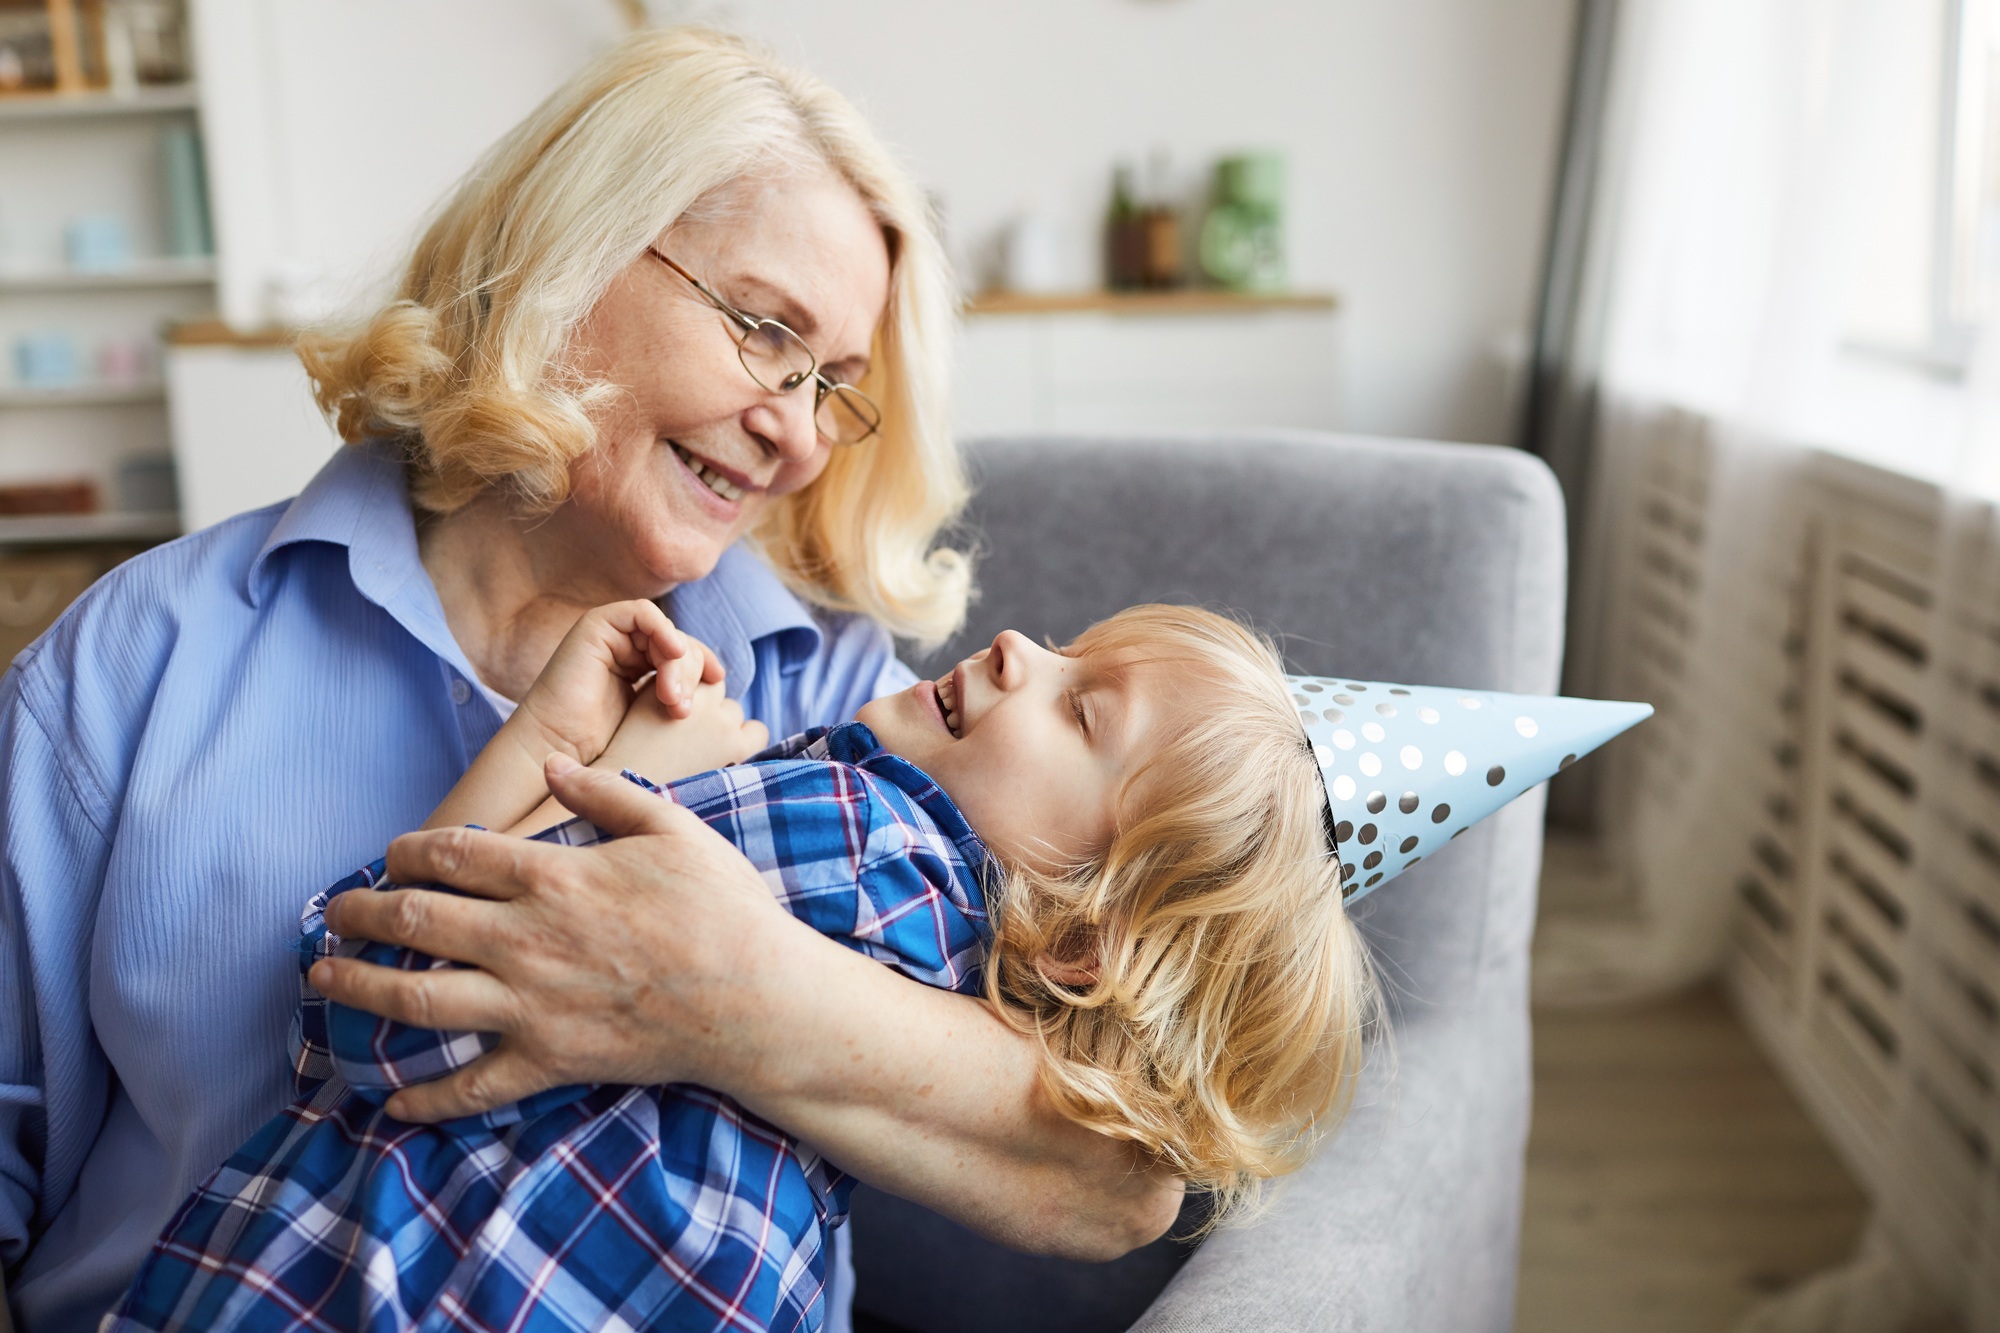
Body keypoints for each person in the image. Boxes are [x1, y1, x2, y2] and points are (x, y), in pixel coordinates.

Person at [0, 29, 1182, 1333]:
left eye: (832, 386)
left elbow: (1124, 1184)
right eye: (764, 331)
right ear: (569, 257)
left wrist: (730, 996)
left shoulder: (848, 712)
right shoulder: (138, 662)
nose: (798, 436)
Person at [109, 602, 1376, 1332]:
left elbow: (367, 998)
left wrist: (613, 767)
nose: (1013, 645)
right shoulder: (941, 957)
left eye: (1081, 710)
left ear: (1091, 939)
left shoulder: (847, 824)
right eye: (1067, 648)